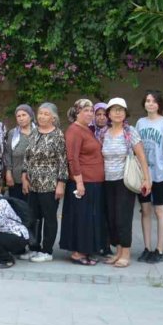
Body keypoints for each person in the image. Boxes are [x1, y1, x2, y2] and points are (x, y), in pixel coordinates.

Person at [96, 98, 151, 268]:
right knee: (112, 217)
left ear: (125, 113)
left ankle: (125, 253)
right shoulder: (103, 132)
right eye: (114, 110)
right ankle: (118, 252)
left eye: (121, 110)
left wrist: (147, 179)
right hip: (107, 180)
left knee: (123, 217)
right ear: (108, 114)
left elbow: (141, 156)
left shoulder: (130, 132)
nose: (118, 113)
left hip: (125, 181)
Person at [59, 98, 106, 266]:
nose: (89, 114)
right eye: (85, 110)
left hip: (94, 181)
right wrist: (79, 183)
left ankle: (86, 249)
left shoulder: (87, 129)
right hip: (83, 181)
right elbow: (72, 158)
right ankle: (78, 253)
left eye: (91, 111)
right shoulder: (74, 130)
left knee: (89, 218)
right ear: (77, 112)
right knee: (82, 218)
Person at [135, 90, 163, 263]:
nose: (150, 104)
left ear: (159, 104)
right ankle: (147, 247)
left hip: (160, 173)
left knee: (159, 210)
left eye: (154, 101)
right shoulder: (140, 123)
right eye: (147, 101)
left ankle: (159, 249)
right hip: (144, 174)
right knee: (145, 210)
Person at [20, 103, 66, 263]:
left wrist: (61, 183)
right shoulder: (33, 132)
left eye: (46, 114)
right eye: (40, 113)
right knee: (33, 217)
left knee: (49, 218)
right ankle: (34, 248)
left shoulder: (58, 135)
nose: (42, 116)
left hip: (49, 184)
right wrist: (24, 176)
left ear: (53, 118)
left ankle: (47, 251)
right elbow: (27, 157)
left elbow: (62, 161)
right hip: (33, 184)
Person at [5, 104, 36, 200]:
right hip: (16, 177)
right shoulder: (12, 133)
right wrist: (8, 173)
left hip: (35, 177)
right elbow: (8, 154)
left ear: (30, 116)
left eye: (24, 115)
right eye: (18, 116)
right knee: (17, 207)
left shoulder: (38, 133)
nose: (21, 118)